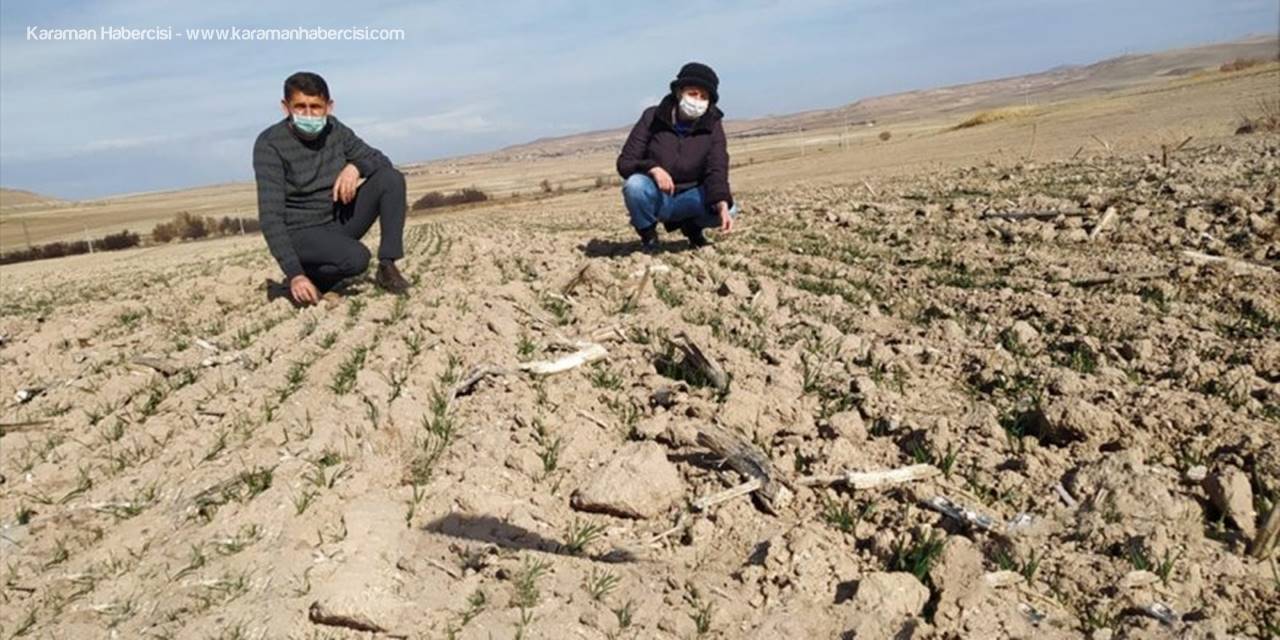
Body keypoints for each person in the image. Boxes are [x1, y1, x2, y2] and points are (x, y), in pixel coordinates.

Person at [254, 71, 410, 305]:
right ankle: (306, 280)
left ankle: (388, 265)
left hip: (336, 220)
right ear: (286, 108)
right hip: (302, 231)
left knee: (391, 179)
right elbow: (271, 217)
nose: (308, 114)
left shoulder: (336, 130)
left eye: (315, 107)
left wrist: (356, 167)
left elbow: (380, 160)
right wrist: (294, 273)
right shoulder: (269, 144)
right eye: (300, 107)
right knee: (357, 258)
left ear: (329, 107)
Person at [616, 62, 737, 252]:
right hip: (658, 195)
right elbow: (625, 163)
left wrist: (721, 203)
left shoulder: (713, 125)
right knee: (635, 186)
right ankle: (649, 236)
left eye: (704, 97)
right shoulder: (652, 117)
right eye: (693, 93)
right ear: (680, 92)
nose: (697, 101)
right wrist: (653, 168)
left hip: (692, 197)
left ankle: (693, 229)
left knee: (728, 207)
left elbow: (717, 167)